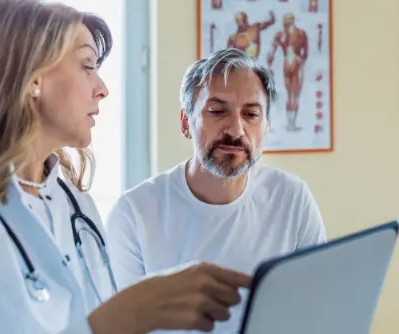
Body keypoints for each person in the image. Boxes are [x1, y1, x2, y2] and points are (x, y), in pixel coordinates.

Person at [0, 1, 252, 333]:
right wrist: (121, 318)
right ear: (32, 77)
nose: (102, 89)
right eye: (87, 65)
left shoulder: (75, 205)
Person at [105, 48, 327, 333]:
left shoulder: (292, 198)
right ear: (186, 122)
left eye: (251, 114)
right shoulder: (134, 213)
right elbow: (122, 326)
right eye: (217, 111)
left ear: (267, 127)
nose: (236, 129)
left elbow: (318, 307)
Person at [267, 12, 308, 131]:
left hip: (296, 63)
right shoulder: (280, 34)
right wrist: (270, 62)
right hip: (286, 64)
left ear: (292, 20)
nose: (285, 23)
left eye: (287, 21)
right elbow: (272, 50)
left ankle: (292, 122)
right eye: (284, 21)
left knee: (295, 94)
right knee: (287, 94)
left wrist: (299, 61)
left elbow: (305, 52)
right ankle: (289, 121)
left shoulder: (301, 33)